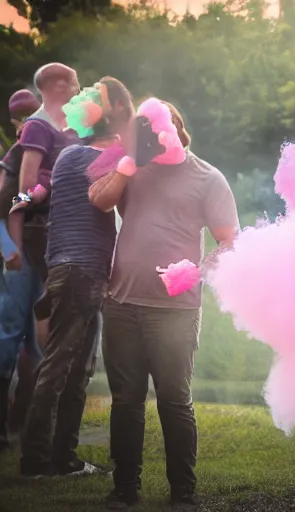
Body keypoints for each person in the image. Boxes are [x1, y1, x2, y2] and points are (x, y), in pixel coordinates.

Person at [89, 100, 239, 511]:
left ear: (179, 130)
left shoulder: (208, 178)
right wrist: (126, 165)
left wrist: (199, 270)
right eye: (147, 129)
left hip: (175, 310)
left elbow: (231, 241)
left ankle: (183, 494)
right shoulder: (132, 168)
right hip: (121, 303)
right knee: (126, 401)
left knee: (174, 401)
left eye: (163, 127)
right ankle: (124, 489)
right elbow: (100, 201)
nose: (156, 136)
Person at [20, 77, 134, 478]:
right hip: (83, 271)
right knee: (61, 366)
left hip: (65, 269)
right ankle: (36, 460)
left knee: (77, 368)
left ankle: (63, 459)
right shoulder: (105, 157)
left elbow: (37, 196)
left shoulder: (69, 154)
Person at [0, 83, 71, 452]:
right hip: (19, 255)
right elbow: (9, 204)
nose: (29, 124)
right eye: (23, 119)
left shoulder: (58, 147)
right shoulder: (17, 155)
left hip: (48, 253)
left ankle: (24, 423)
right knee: (10, 334)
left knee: (39, 342)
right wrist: (9, 248)